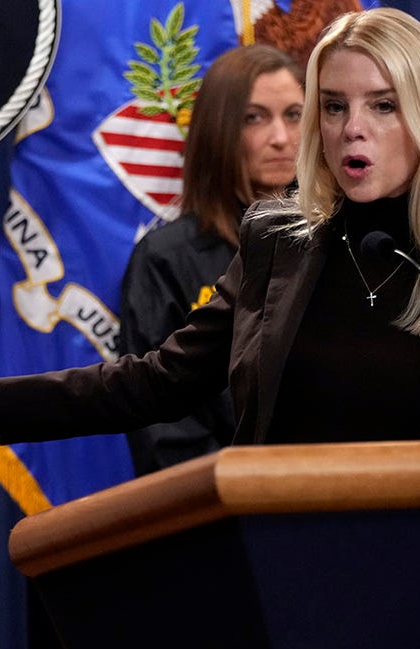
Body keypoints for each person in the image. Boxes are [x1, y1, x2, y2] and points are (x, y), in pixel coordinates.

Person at [0, 8, 420, 449]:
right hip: (284, 570)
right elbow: (160, 379)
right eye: (333, 106)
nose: (352, 127)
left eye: (383, 105)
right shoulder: (281, 243)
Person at [119, 44, 303, 475]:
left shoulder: (340, 240)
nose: (280, 138)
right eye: (254, 118)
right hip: (219, 512)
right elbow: (162, 423)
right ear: (219, 129)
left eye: (295, 115)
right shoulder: (165, 259)